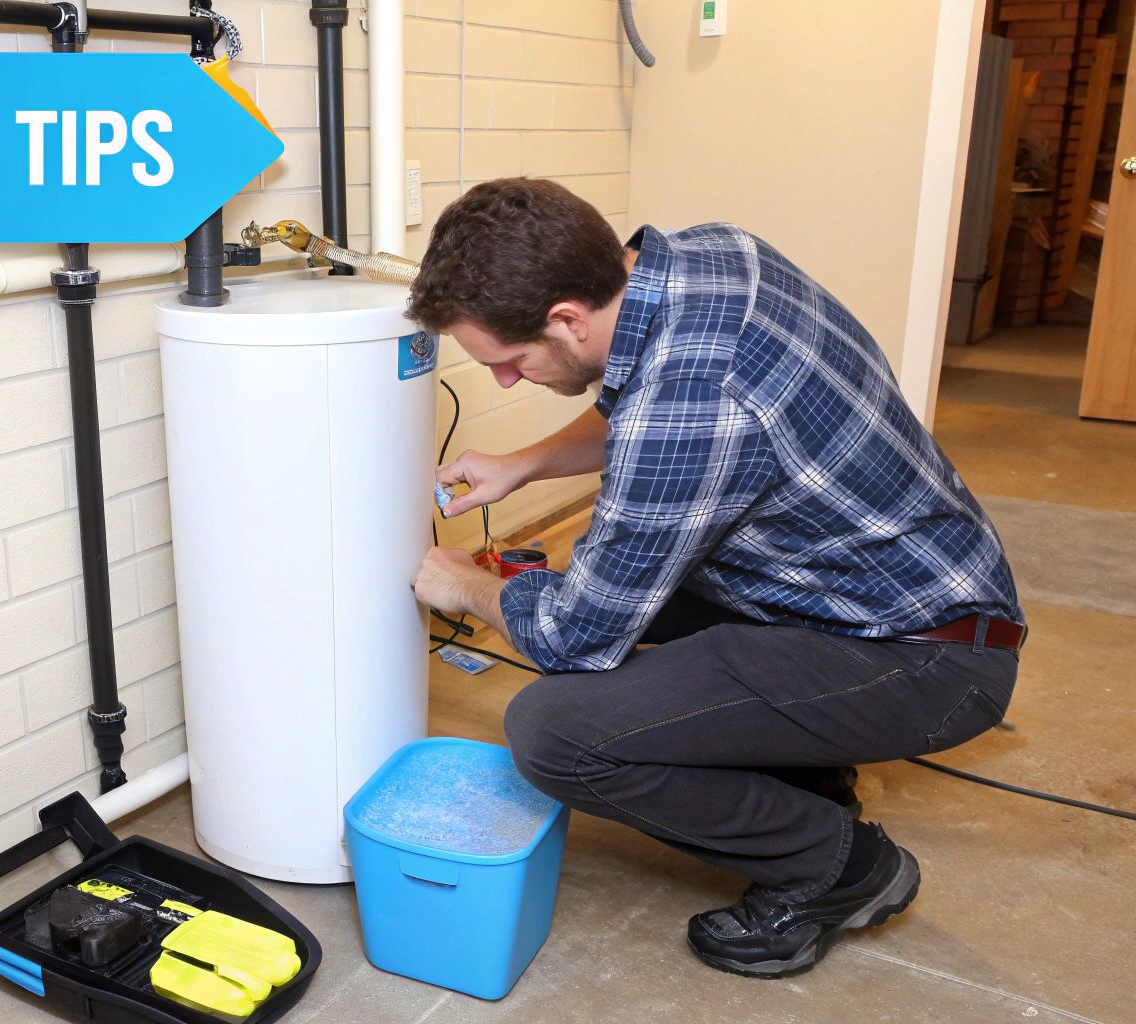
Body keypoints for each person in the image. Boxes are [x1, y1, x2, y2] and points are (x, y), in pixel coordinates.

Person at [408, 178, 1025, 978]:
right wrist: (522, 465)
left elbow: (573, 637)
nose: (504, 381)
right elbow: (640, 395)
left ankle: (837, 867)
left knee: (554, 730)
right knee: (619, 576)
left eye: (509, 360)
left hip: (926, 660)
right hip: (896, 587)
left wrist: (462, 585)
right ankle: (809, 768)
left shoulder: (694, 401)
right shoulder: (705, 258)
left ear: (565, 317)